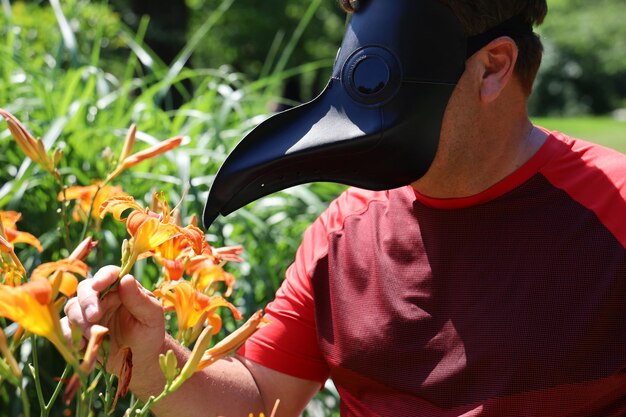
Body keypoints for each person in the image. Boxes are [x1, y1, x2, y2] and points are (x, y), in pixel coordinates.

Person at [63, 0, 626, 416]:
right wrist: (148, 357)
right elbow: (262, 397)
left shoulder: (613, 210)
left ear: (493, 67)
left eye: (385, 84)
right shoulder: (347, 232)